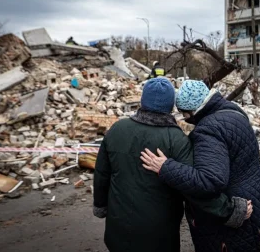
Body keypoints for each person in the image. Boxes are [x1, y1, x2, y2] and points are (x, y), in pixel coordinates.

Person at [93, 78, 251, 252]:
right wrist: (230, 211)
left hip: (118, 228)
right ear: (170, 106)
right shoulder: (176, 140)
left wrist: (100, 205)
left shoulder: (117, 129)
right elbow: (195, 189)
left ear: (143, 100)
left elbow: (101, 174)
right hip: (159, 234)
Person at [141, 80, 260, 252]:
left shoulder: (208, 130)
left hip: (236, 215)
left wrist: (166, 167)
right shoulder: (233, 112)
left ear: (193, 110)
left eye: (184, 113)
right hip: (257, 196)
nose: (185, 118)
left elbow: (209, 180)